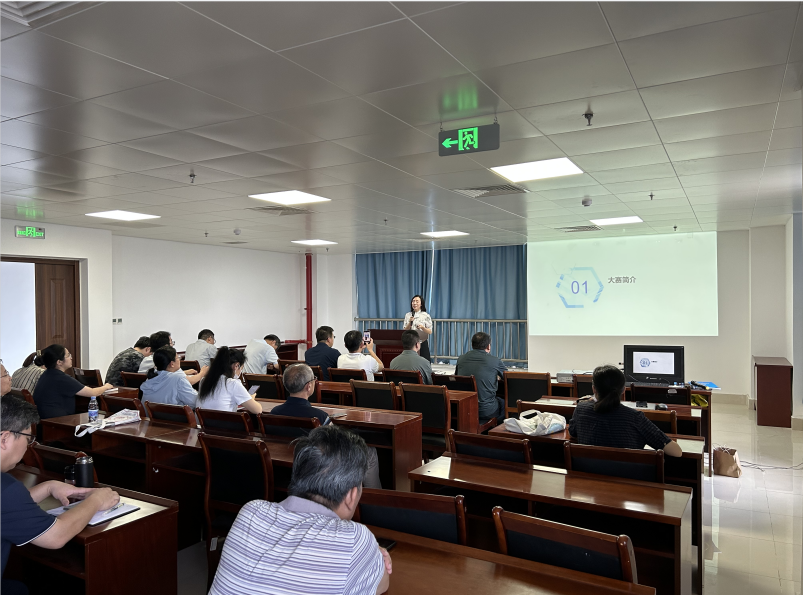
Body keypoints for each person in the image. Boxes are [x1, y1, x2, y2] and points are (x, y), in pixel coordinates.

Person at [209, 424, 390, 595]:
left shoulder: (250, 512)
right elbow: (382, 585)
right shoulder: (354, 538)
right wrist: (371, 552)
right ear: (351, 496)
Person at [1, 396, 120, 595]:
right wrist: (97, 500)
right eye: (28, 438)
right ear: (5, 439)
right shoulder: (6, 487)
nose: (28, 446)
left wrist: (48, 487)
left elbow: (6, 509)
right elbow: (56, 536)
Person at [568, 365, 683, 457]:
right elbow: (677, 452)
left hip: (589, 476)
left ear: (594, 389)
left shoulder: (581, 409)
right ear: (623, 390)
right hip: (627, 477)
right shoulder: (634, 417)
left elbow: (572, 432)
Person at [33, 345, 113, 419]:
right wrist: (106, 386)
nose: (71, 358)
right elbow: (92, 393)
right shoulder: (61, 378)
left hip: (46, 420)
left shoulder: (46, 374)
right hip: (57, 421)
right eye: (68, 355)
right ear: (59, 362)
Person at [455, 332, 507, 424]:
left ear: (472, 345)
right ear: (488, 346)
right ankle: (496, 429)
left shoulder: (461, 359)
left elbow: (457, 377)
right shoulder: (495, 361)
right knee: (504, 402)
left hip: (464, 408)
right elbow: (508, 378)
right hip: (486, 411)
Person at [197, 347, 261, 414]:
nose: (240, 372)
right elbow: (258, 410)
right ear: (236, 366)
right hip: (223, 420)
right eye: (241, 368)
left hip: (203, 421)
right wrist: (251, 398)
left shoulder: (203, 381)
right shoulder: (233, 384)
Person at [403, 295, 433, 362]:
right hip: (410, 342)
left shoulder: (425, 315)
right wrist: (410, 322)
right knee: (411, 362)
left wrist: (423, 328)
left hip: (422, 341)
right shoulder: (408, 315)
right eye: (413, 301)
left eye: (417, 301)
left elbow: (430, 331)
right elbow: (405, 330)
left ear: (421, 304)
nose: (414, 303)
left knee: (425, 361)